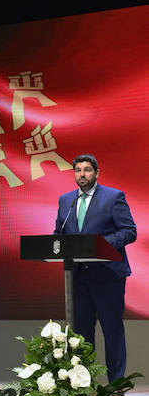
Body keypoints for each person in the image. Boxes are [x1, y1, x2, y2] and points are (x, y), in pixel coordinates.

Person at [54, 154, 136, 382]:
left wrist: (99, 246)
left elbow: (129, 231)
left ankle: (116, 384)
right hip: (77, 277)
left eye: (87, 170)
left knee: (112, 332)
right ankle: (83, 384)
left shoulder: (113, 197)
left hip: (108, 276)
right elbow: (59, 234)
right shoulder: (66, 201)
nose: (82, 174)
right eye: (78, 170)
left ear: (96, 173)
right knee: (81, 335)